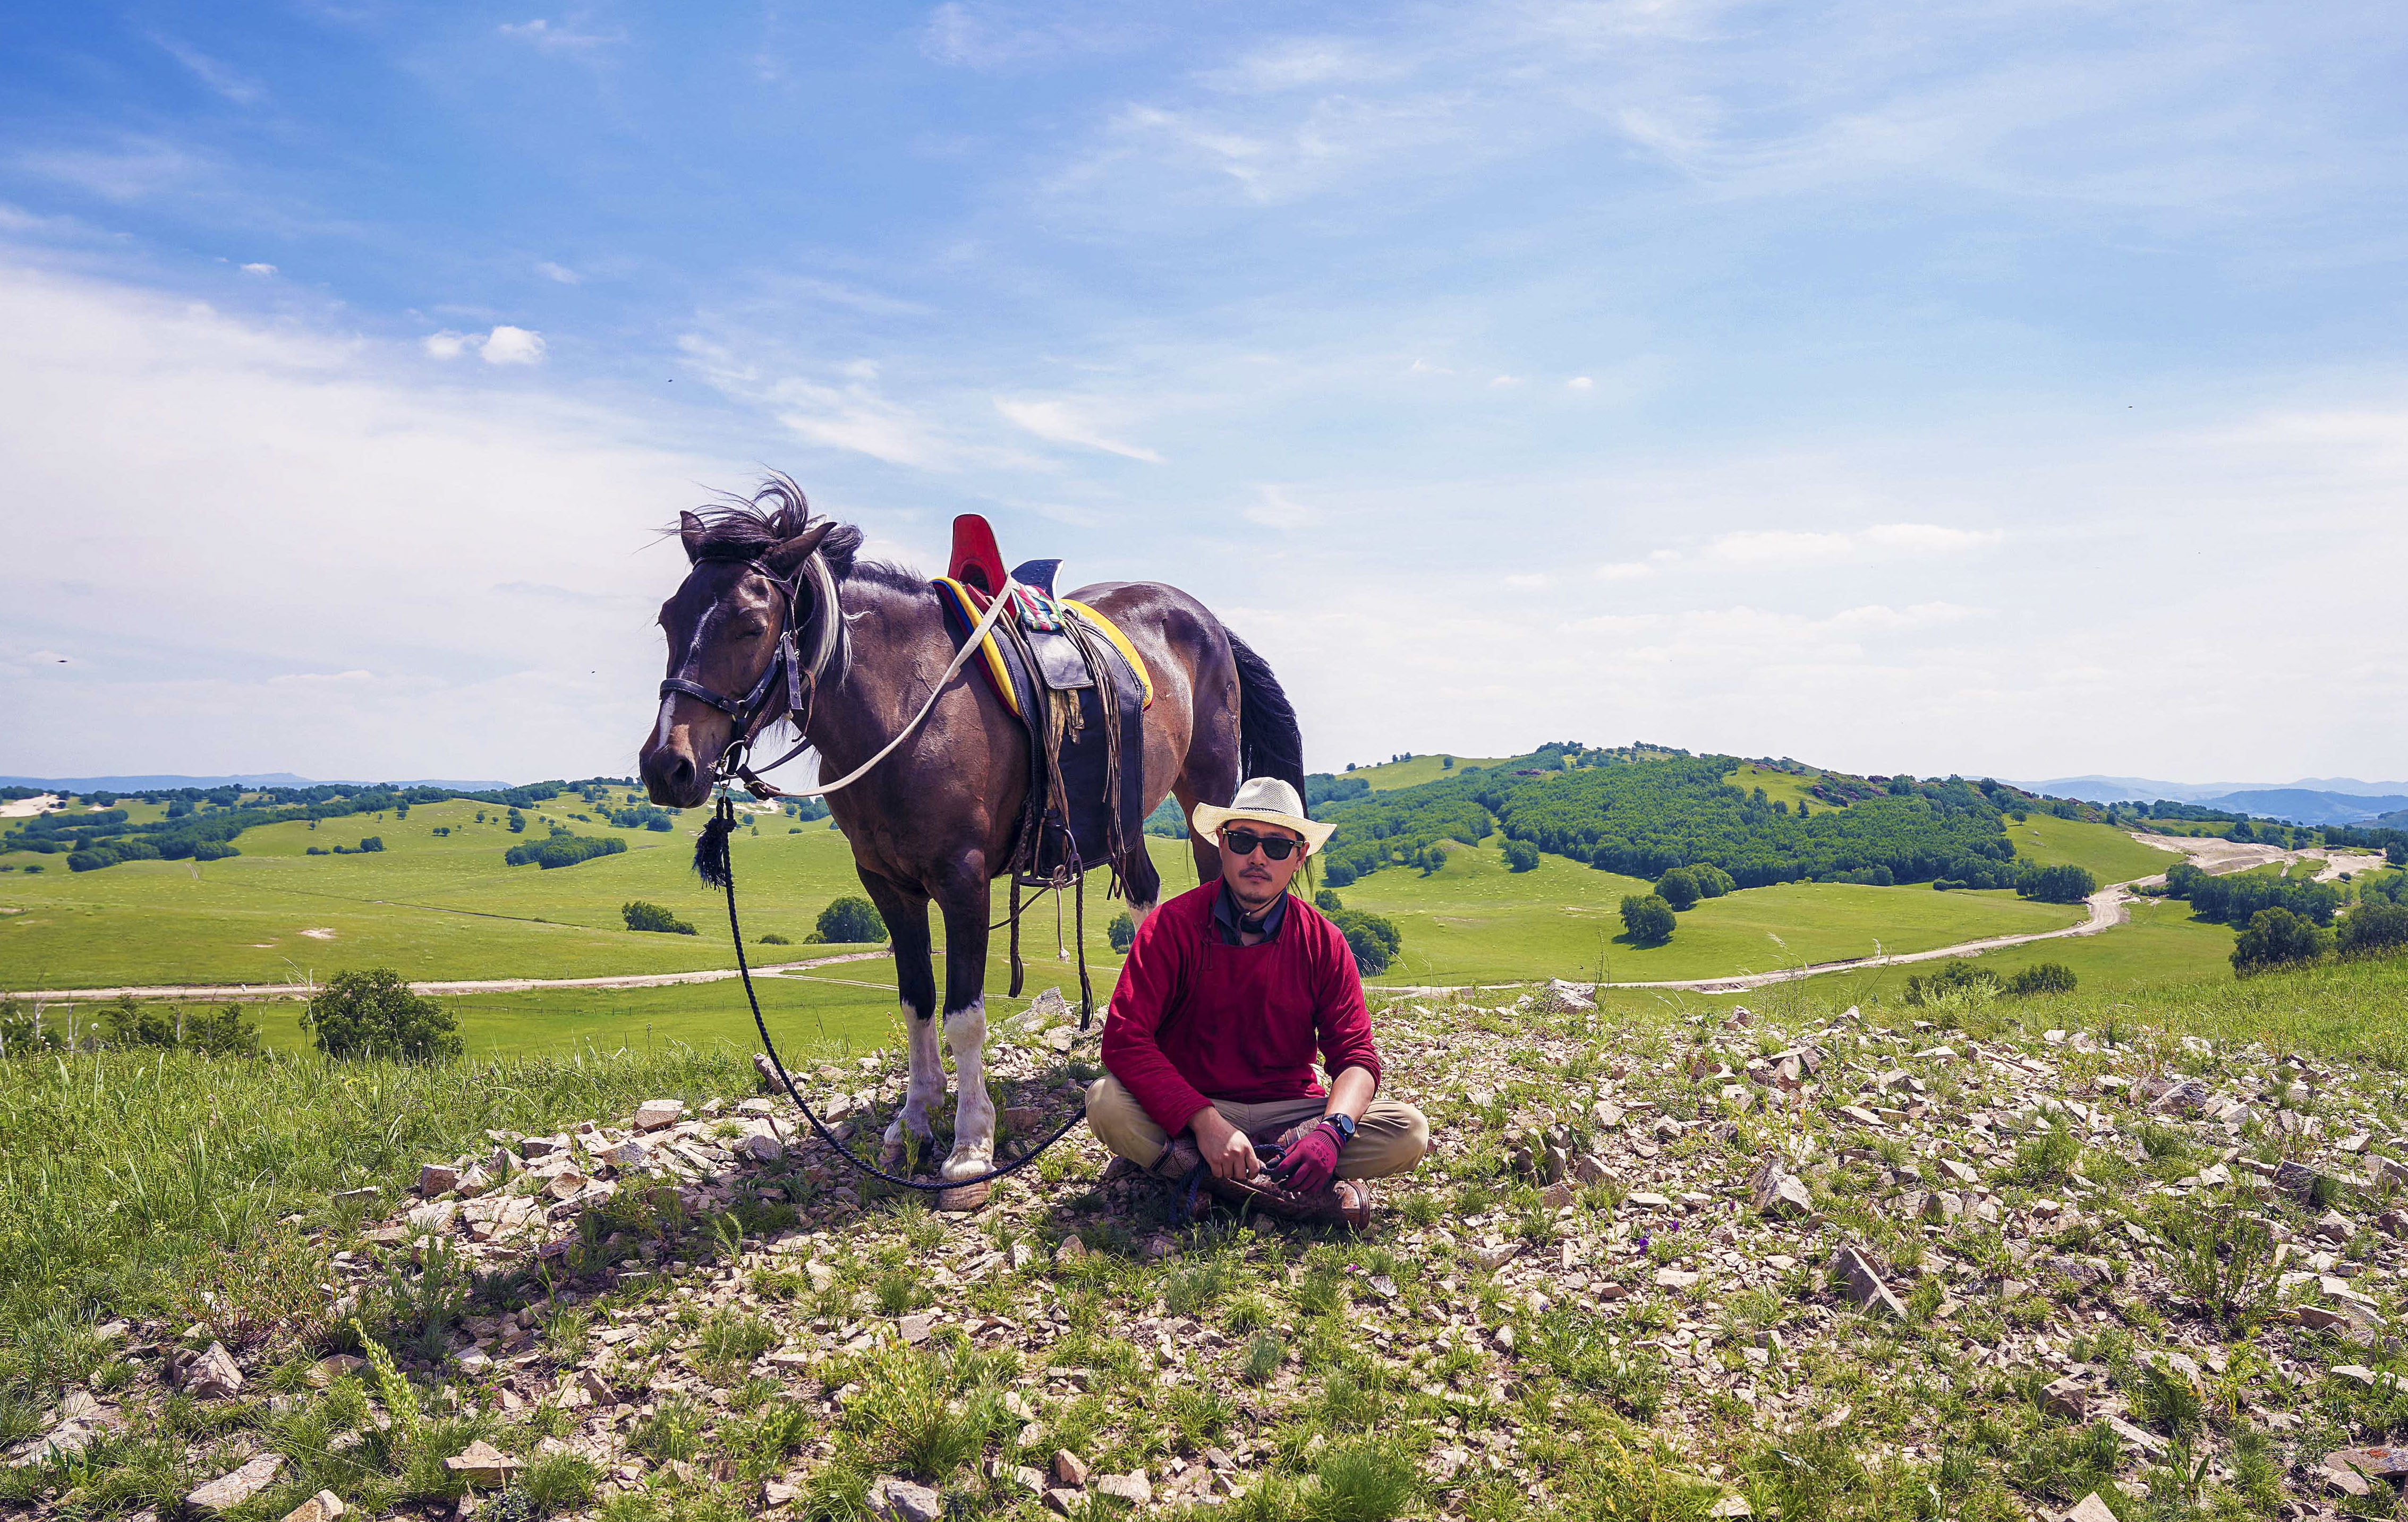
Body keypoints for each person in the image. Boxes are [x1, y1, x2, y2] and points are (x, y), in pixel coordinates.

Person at [1084, 775, 1428, 1227]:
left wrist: (1331, 1132)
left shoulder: (1324, 942)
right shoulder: (1171, 926)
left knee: (1409, 1131)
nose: (1258, 857)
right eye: (1244, 840)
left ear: (1299, 856)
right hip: (1195, 1105)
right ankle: (1290, 1192)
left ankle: (1196, 1176)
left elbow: (1357, 1057)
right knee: (1105, 1101)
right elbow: (1125, 1040)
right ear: (1222, 844)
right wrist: (1206, 1124)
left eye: (1278, 847)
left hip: (1292, 1112)